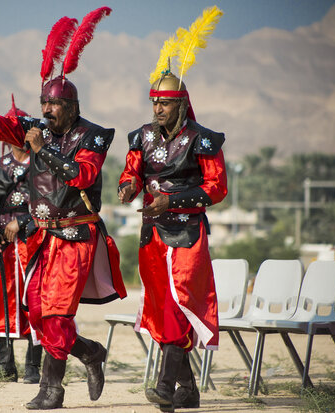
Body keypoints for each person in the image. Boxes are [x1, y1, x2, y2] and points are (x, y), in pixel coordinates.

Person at [0, 8, 125, 409]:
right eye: (43, 104)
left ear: (72, 105)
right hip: (43, 237)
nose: (47, 112)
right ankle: (89, 353)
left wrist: (41, 150)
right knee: (35, 312)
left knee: (56, 314)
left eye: (54, 106)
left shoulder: (94, 136)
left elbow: (81, 175)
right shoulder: (36, 129)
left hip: (76, 236)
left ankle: (51, 390)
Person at [118, 6, 226, 412]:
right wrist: (128, 187)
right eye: (154, 102)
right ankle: (189, 391)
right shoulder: (141, 136)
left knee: (179, 305)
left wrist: (173, 200)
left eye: (164, 103)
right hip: (151, 236)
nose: (157, 109)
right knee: (162, 308)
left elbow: (217, 188)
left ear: (181, 104)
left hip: (187, 236)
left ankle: (164, 387)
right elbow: (132, 172)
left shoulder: (203, 140)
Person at [0, 97, 42, 384]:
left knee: (34, 299)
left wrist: (25, 222)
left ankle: (33, 366)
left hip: (34, 242)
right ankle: (6, 366)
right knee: (3, 300)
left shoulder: (44, 165)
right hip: (3, 247)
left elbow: (51, 203)